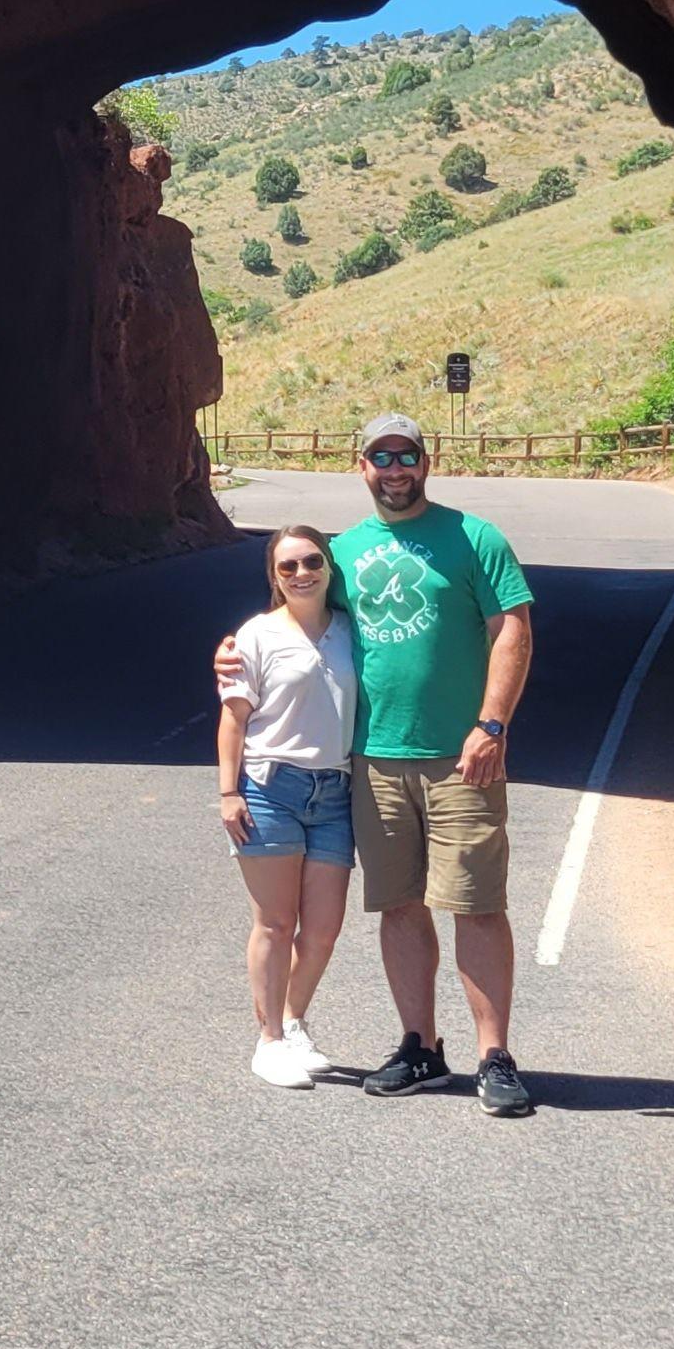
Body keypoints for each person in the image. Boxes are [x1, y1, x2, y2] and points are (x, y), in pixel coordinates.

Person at [217, 416, 537, 1116]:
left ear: (427, 461)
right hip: (373, 762)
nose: (394, 468)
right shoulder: (345, 553)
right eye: (380, 456)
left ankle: (494, 1056)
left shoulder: (473, 538)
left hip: (462, 757)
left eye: (407, 455)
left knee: (477, 905)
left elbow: (511, 626)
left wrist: (492, 723)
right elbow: (294, 613)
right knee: (400, 906)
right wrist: (233, 650)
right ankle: (419, 1046)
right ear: (359, 465)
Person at [214, 523, 359, 1089]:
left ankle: (294, 1021)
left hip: (336, 790)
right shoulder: (255, 636)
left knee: (322, 928)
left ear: (328, 567)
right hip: (270, 787)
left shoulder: (352, 631)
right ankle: (269, 1040)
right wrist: (229, 793)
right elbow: (234, 719)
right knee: (276, 922)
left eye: (312, 562)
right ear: (274, 577)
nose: (302, 574)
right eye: (288, 567)